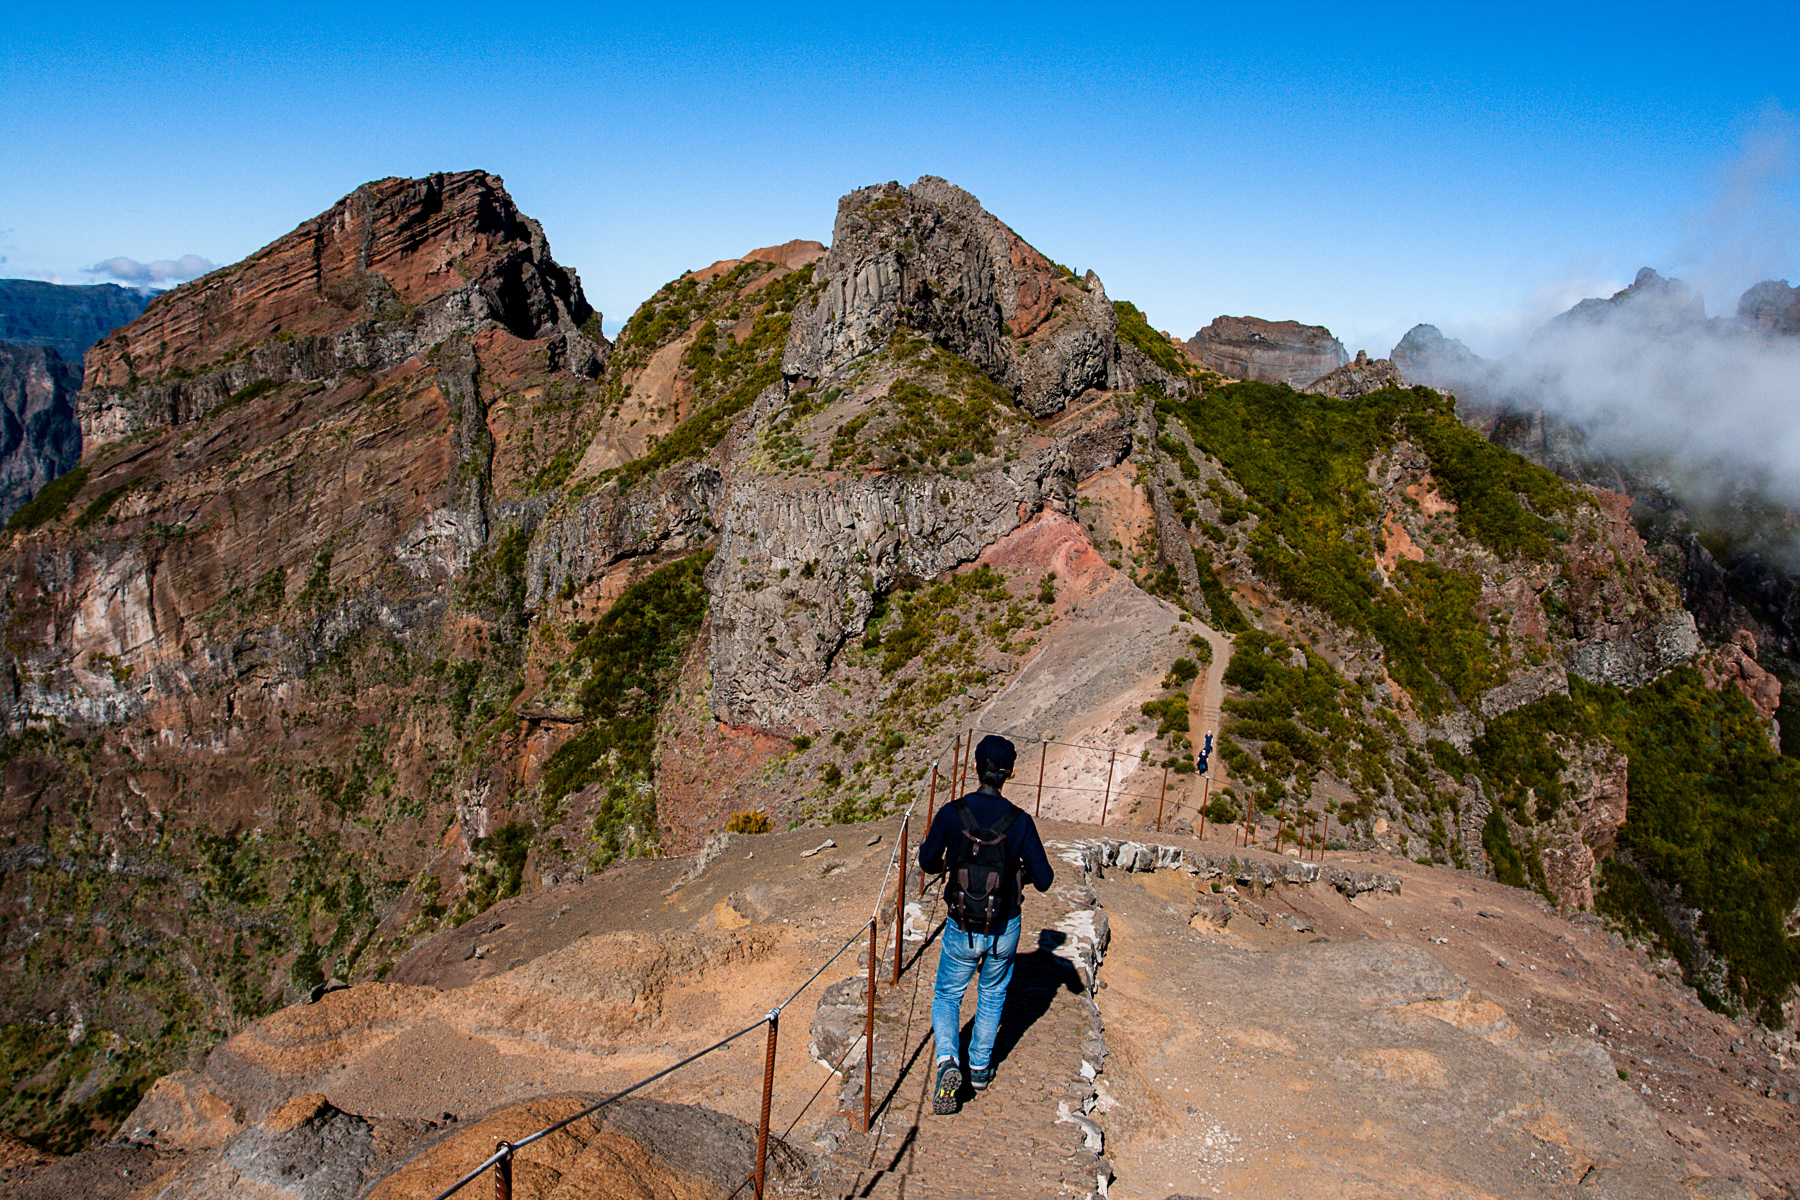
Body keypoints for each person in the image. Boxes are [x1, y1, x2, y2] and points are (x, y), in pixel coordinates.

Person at [917, 733, 1054, 1114]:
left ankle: (948, 1060)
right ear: (1009, 773)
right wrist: (1018, 874)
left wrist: (949, 861)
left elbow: (927, 861)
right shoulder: (1020, 821)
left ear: (976, 768)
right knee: (992, 994)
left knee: (948, 995)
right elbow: (1045, 879)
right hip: (1004, 926)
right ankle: (978, 1068)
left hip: (961, 924)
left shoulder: (953, 812)